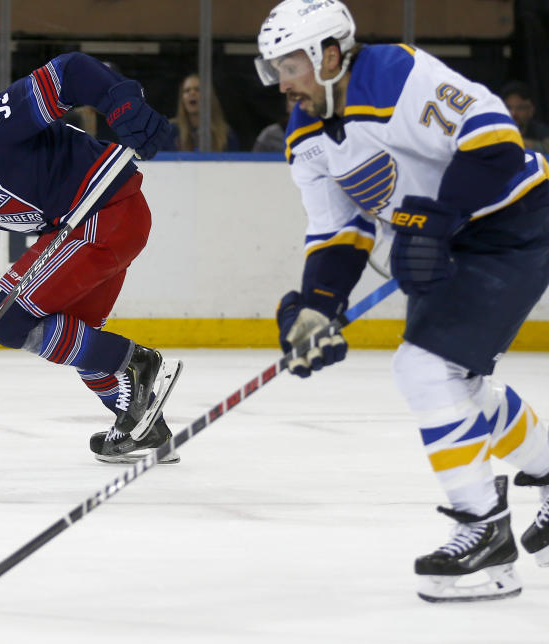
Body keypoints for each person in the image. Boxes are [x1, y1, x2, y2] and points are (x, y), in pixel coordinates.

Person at [255, 0, 549, 602]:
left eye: (290, 66)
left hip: (514, 223)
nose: (283, 84)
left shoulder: (396, 74)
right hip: (447, 240)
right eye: (275, 69)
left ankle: (485, 536)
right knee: (454, 384)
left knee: (423, 369)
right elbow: (338, 233)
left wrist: (435, 220)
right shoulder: (305, 136)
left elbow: (495, 143)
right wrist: (318, 307)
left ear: (329, 54)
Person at [0, 54, 181, 463]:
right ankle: (143, 427)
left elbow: (71, 72)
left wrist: (121, 100)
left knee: (7, 319)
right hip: (86, 227)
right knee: (78, 336)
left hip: (107, 208)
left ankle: (136, 363)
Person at [167, 73, 239, 152]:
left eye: (197, 89)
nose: (192, 93)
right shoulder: (170, 131)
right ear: (182, 99)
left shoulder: (225, 133)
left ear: (209, 97)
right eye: (187, 90)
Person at [500, 80, 549, 154]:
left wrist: (518, 142)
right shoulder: (497, 128)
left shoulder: (538, 129)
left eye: (520, 108)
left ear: (531, 110)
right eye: (508, 107)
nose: (513, 113)